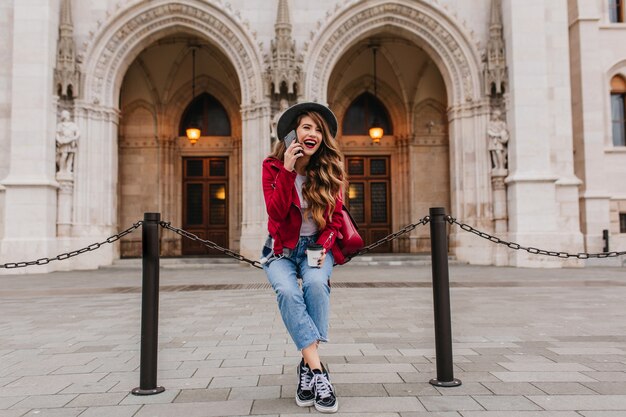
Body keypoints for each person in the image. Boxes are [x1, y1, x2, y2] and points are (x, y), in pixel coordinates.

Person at [261, 102, 346, 413]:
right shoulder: (271, 167)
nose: (313, 133)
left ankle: (306, 368)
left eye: (318, 130)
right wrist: (286, 170)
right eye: (307, 127)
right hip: (280, 250)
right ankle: (318, 372)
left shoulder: (331, 168)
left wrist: (324, 245)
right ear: (293, 133)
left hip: (315, 248)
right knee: (287, 291)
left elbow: (336, 220)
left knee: (314, 286)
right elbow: (276, 212)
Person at [56, 110, 80, 174]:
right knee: (64, 155)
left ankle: (68, 170)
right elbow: (57, 134)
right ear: (64, 116)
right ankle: (61, 169)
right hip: (64, 141)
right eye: (68, 115)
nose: (69, 116)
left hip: (71, 142)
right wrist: (59, 140)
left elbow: (78, 132)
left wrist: (75, 138)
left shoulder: (73, 125)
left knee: (70, 156)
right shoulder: (60, 125)